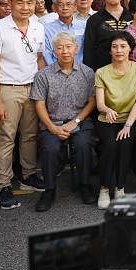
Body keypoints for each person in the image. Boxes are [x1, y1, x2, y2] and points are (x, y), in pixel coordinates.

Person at [0, 0, 46, 209]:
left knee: (30, 135)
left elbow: (39, 59)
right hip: (8, 88)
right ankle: (3, 184)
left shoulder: (38, 27)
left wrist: (43, 88)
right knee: (6, 136)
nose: (25, 7)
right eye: (20, 3)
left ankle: (28, 173)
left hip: (33, 87)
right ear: (10, 4)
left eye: (30, 3)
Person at [30, 32, 98, 212]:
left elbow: (92, 101)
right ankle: (50, 189)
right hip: (53, 122)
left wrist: (75, 121)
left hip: (80, 121)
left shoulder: (87, 72)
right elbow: (39, 104)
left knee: (83, 144)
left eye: (68, 47)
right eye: (60, 48)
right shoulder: (43, 75)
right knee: (50, 148)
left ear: (76, 49)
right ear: (54, 51)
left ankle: (85, 184)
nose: (65, 51)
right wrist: (53, 128)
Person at [94, 32, 136, 208]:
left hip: (133, 117)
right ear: (110, 50)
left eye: (123, 46)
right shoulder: (101, 72)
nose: (118, 50)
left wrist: (127, 125)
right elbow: (100, 104)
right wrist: (107, 109)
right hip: (108, 118)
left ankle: (120, 187)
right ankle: (104, 187)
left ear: (130, 48)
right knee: (110, 145)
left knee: (125, 143)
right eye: (114, 47)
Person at [83, 0, 132, 72]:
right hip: (103, 71)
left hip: (130, 71)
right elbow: (89, 50)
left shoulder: (131, 16)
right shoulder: (94, 20)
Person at [42, 0, 86, 66]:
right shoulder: (46, 29)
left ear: (75, 7)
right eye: (60, 5)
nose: (65, 8)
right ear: (54, 8)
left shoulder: (84, 26)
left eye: (68, 4)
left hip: (81, 70)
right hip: (55, 71)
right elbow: (46, 54)